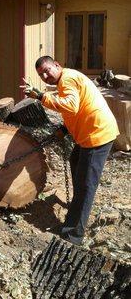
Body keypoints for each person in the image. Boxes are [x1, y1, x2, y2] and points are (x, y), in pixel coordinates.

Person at [24, 56, 119, 245]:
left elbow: (71, 106)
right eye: (41, 74)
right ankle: (78, 206)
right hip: (89, 134)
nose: (44, 75)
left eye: (47, 70)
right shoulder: (65, 79)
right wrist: (64, 130)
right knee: (75, 161)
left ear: (57, 66)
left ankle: (73, 235)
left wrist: (42, 97)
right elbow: (78, 108)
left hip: (97, 136)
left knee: (86, 185)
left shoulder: (67, 79)